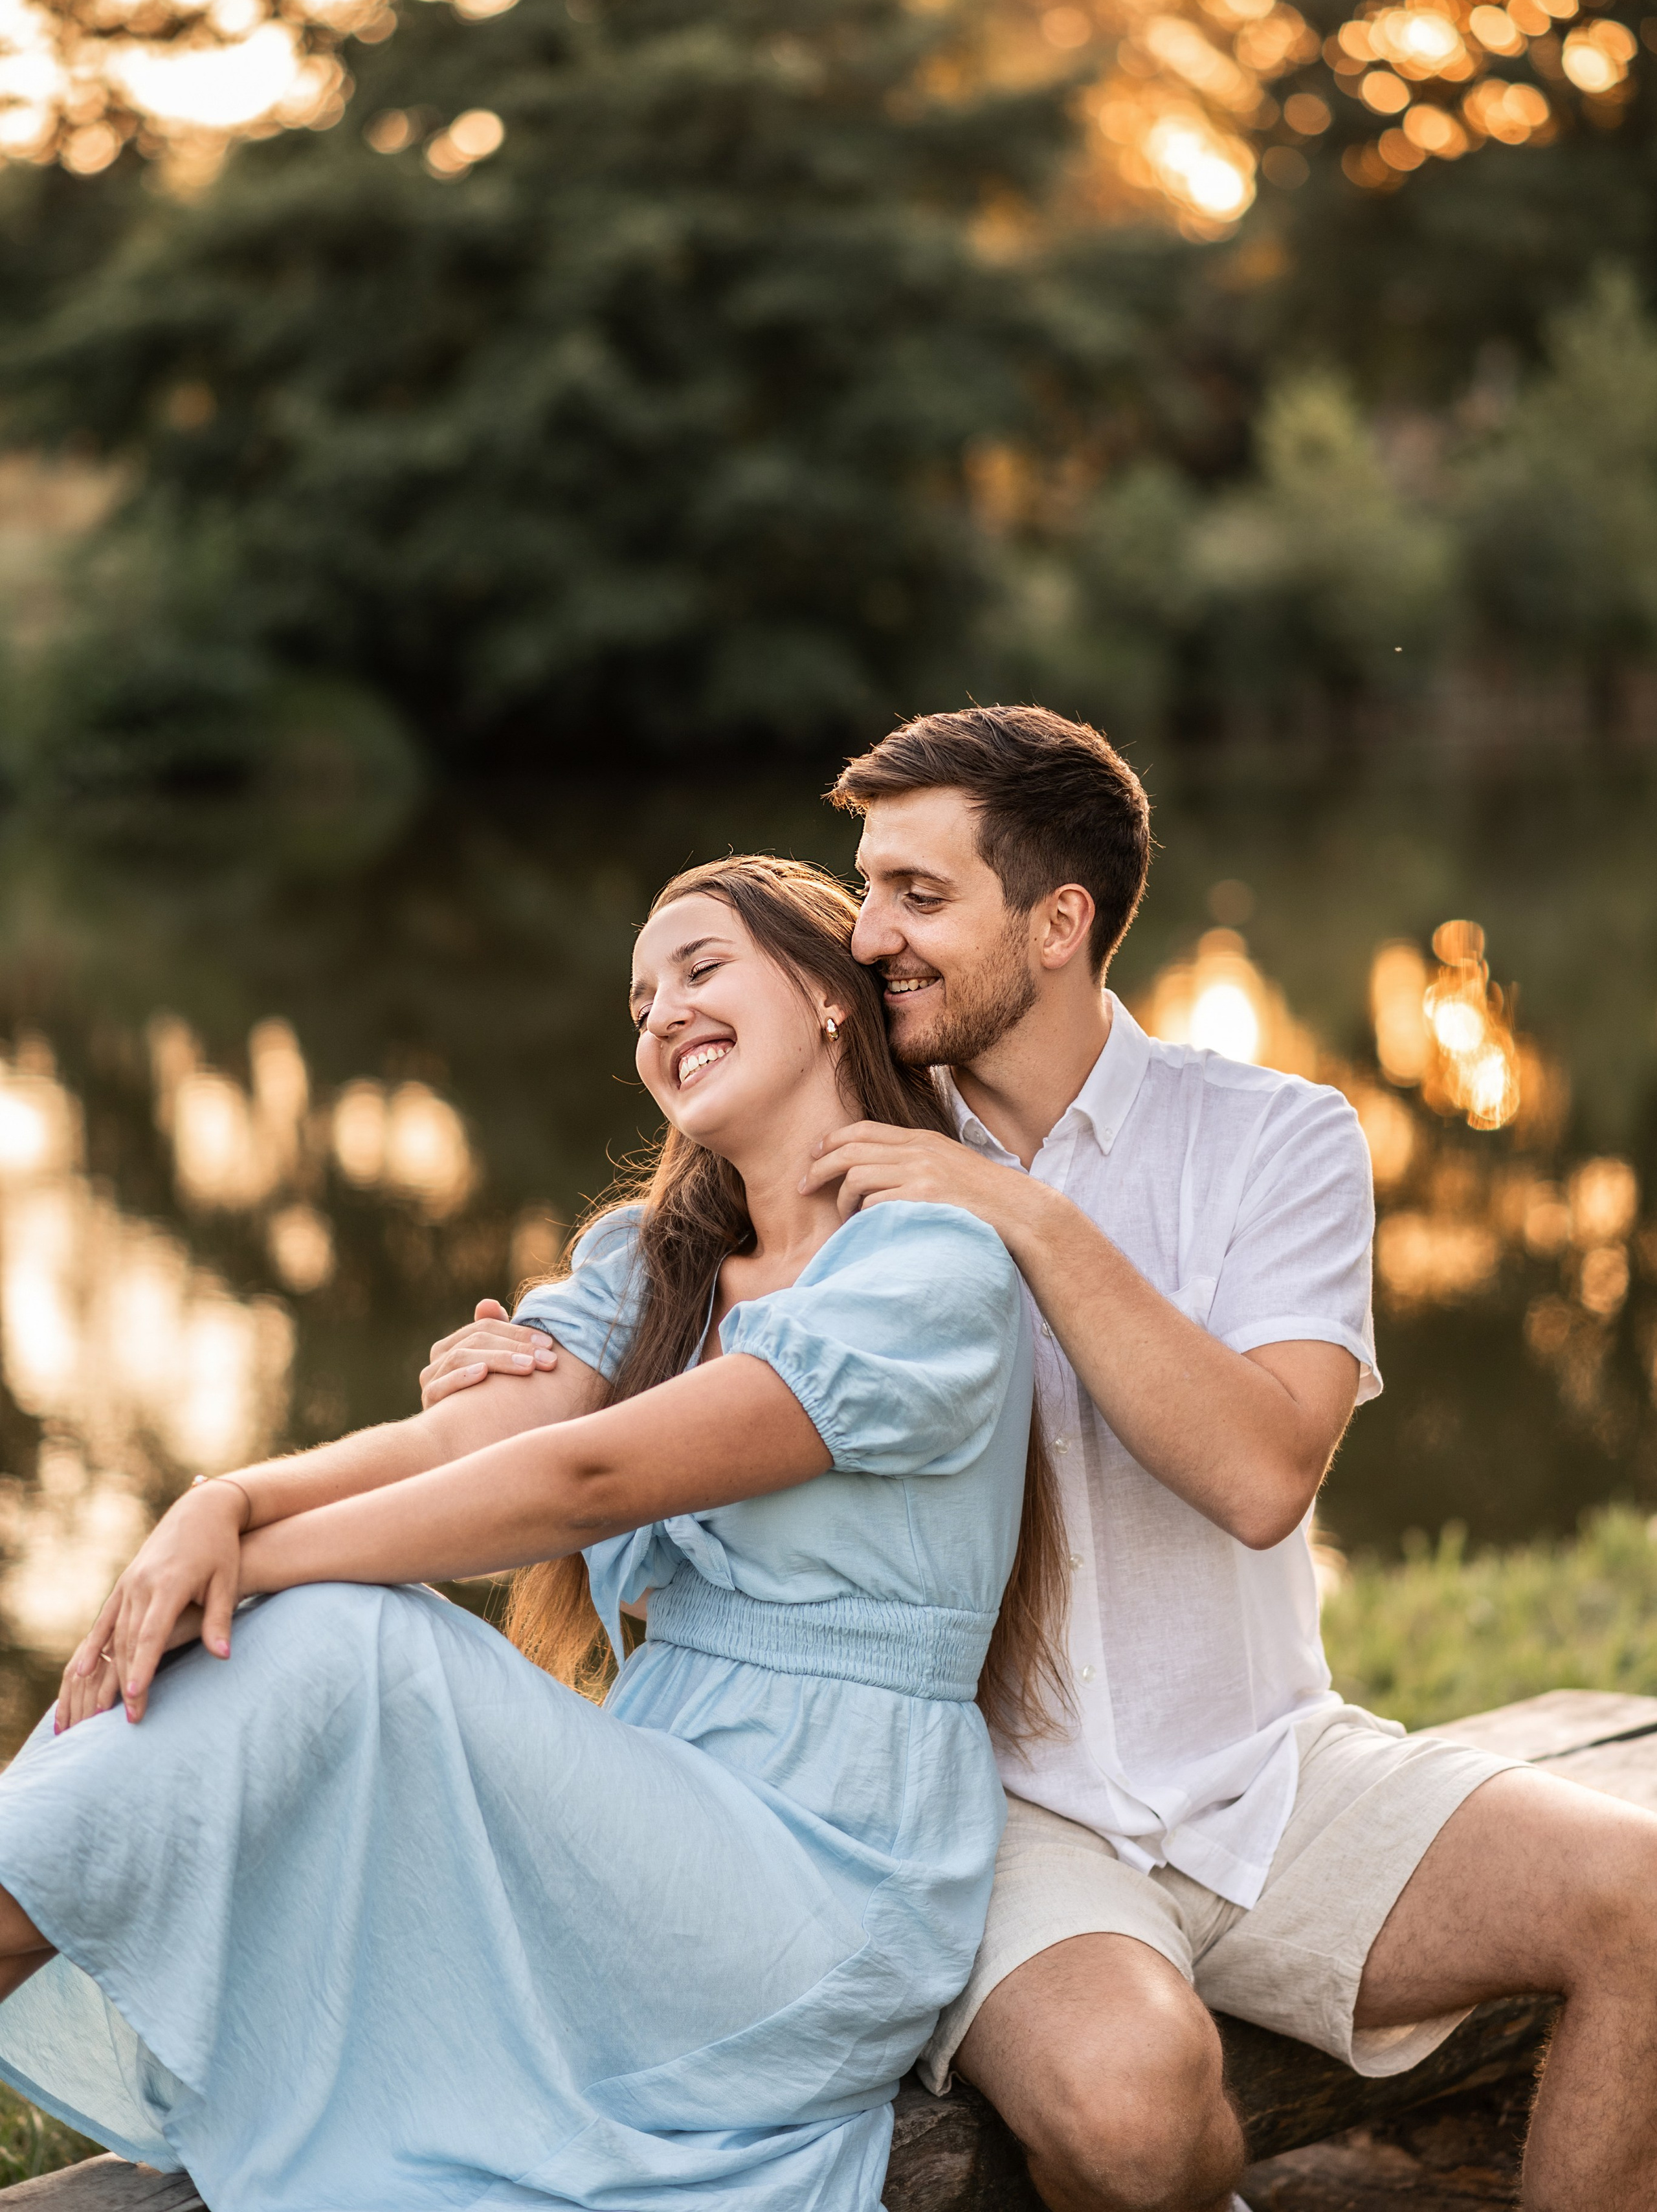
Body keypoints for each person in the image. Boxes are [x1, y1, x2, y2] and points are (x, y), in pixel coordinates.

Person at [438, 707, 1657, 2212]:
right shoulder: (828, 1145)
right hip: (992, 1821)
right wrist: (517, 1358)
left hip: (1269, 1770)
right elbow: (644, 1291)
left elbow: (1263, 1474)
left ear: (1059, 922)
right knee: (1132, 2115)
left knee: (1643, 1907)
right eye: (865, 887)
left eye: (917, 897)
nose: (867, 936)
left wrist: (1017, 1211)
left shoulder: (1276, 1138)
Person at [0, 856, 1062, 2212]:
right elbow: (467, 1445)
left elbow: (590, 1479)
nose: (661, 1014)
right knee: (296, 1619)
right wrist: (228, 1502)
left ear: (823, 993)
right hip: (654, 1823)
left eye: (698, 968)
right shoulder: (652, 1261)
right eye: (637, 1001)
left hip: (826, 1886)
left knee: (330, 1629)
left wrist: (258, 1562)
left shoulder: (930, 1263)